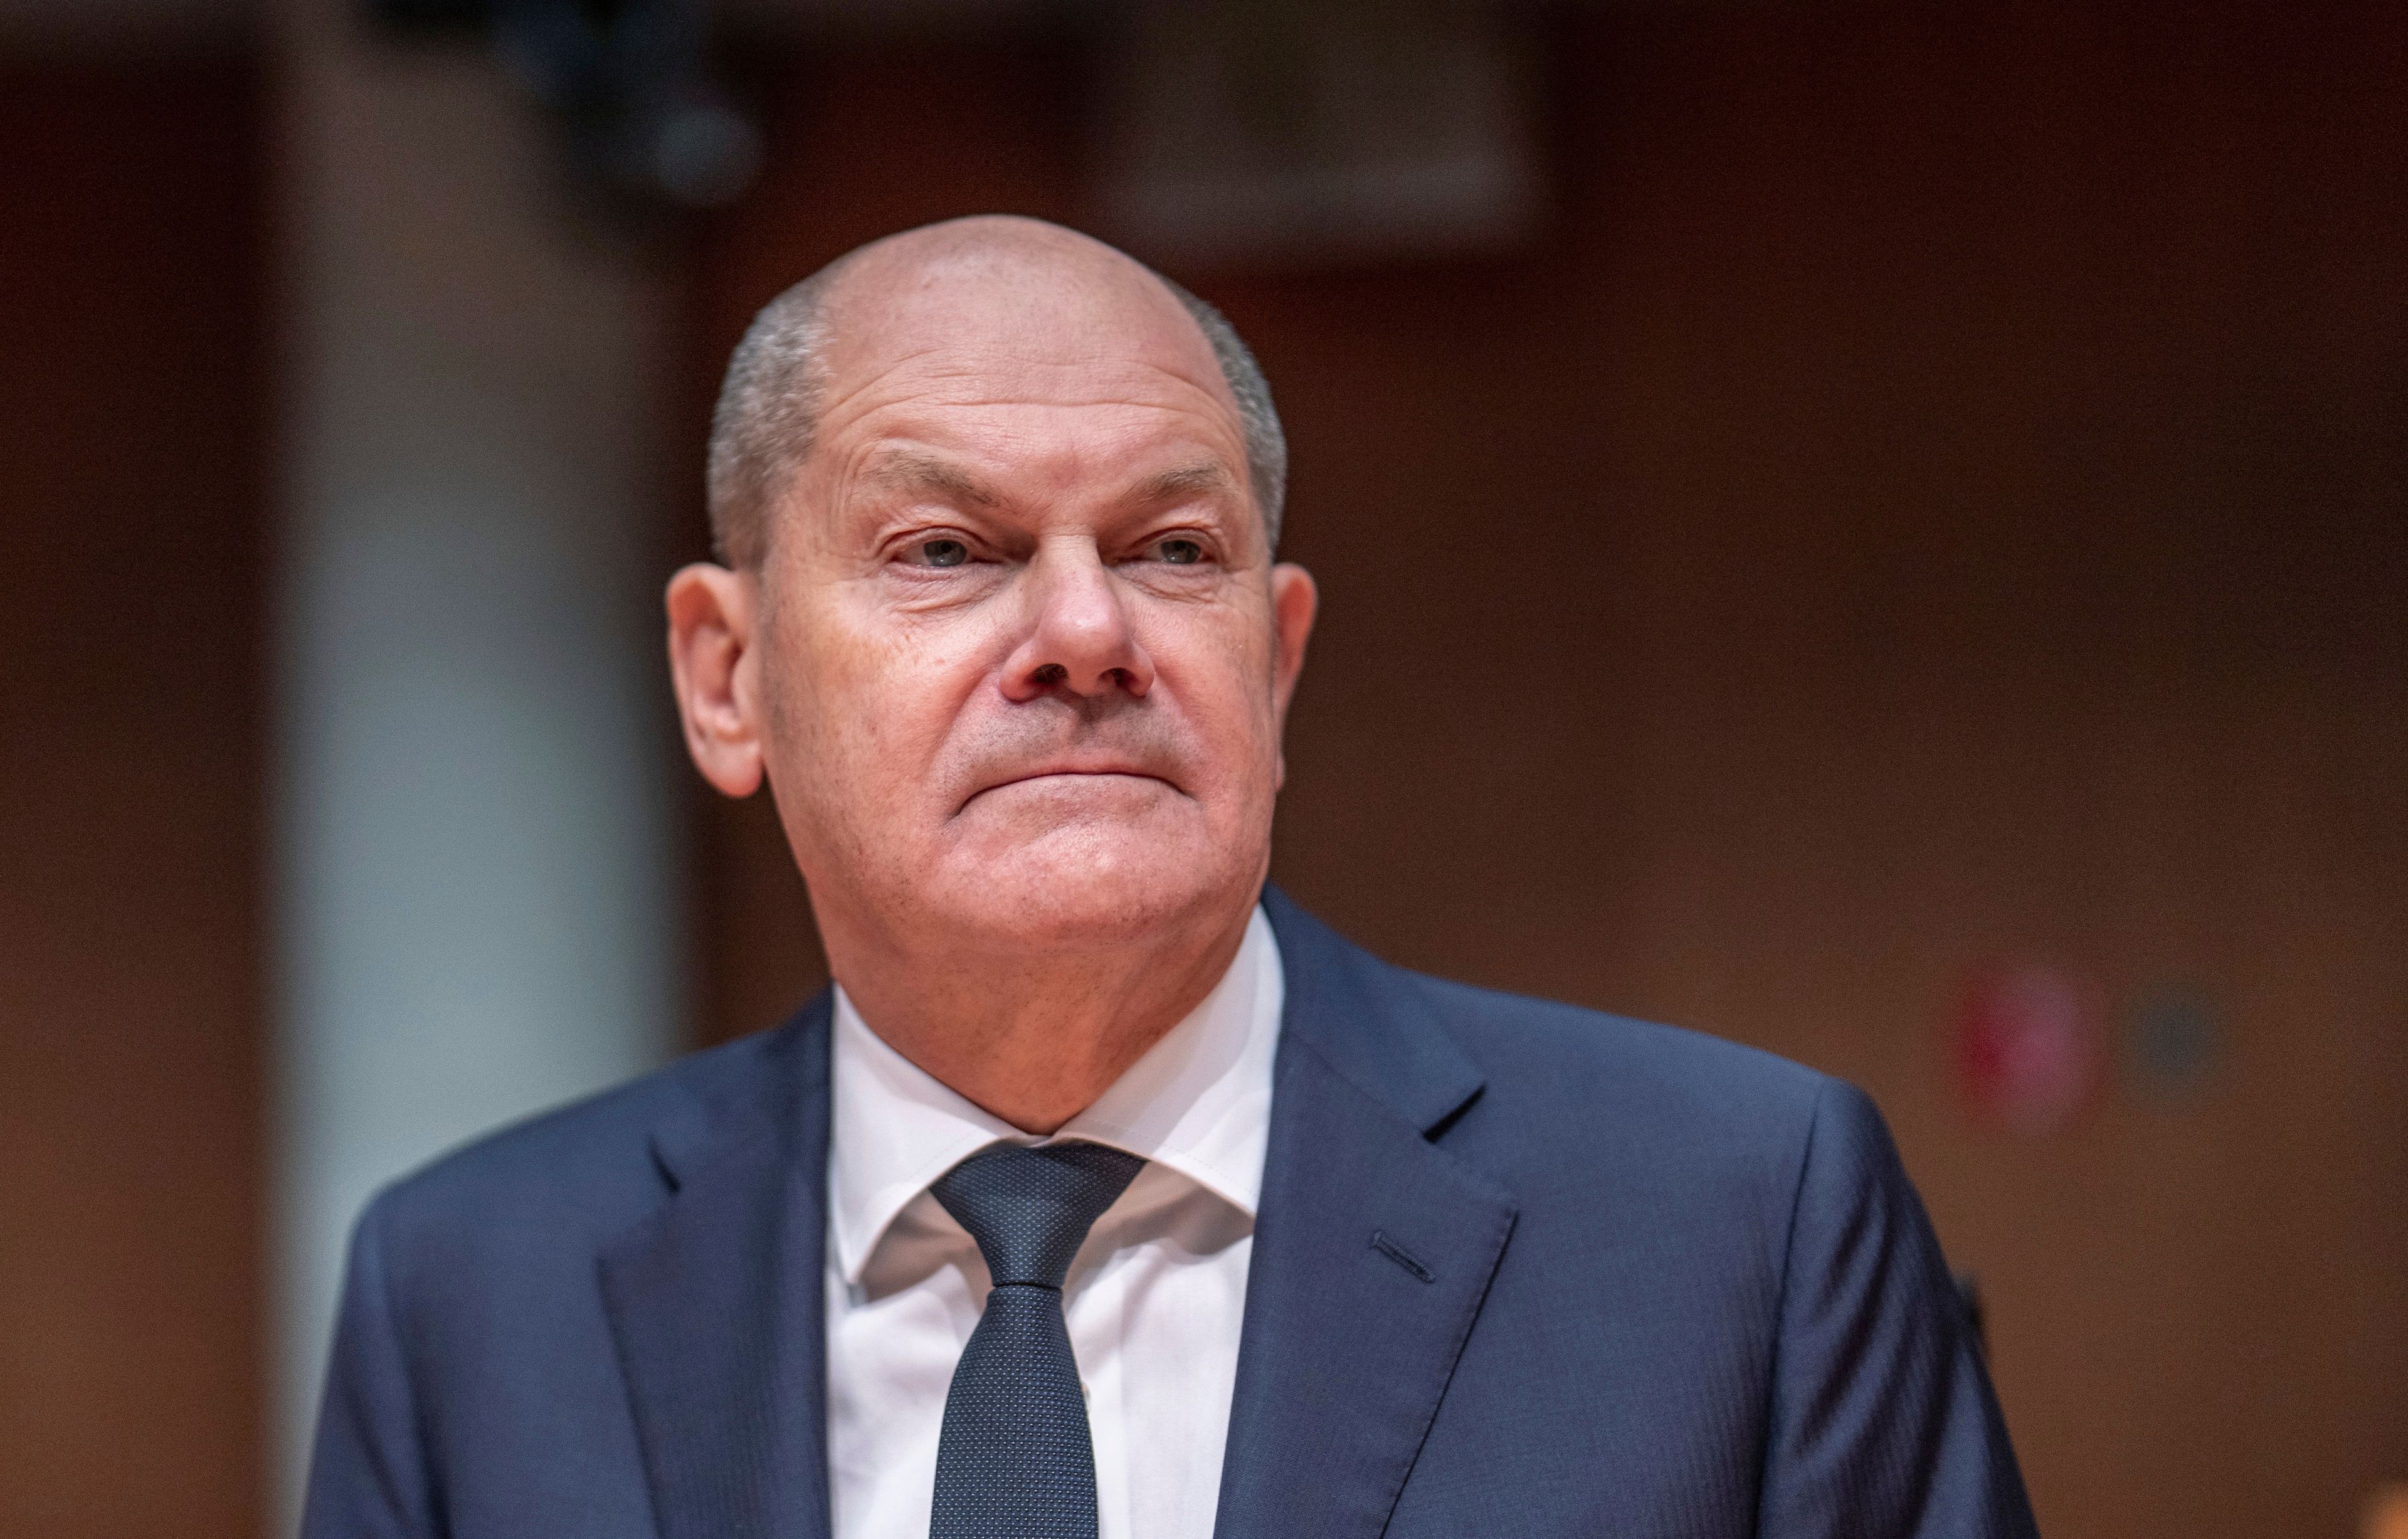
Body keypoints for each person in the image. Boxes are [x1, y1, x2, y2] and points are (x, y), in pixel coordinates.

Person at [302, 215, 2038, 1539]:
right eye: (946, 551)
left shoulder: (1741, 1223)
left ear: (1275, 668)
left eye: (1172, 550)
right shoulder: (470, 1296)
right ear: (727, 676)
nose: (1083, 633)